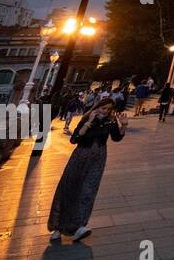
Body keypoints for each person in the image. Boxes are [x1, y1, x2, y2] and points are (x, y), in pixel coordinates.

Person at [48, 95, 126, 242]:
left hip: (98, 160)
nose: (105, 111)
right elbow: (74, 139)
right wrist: (89, 122)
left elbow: (116, 138)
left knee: (88, 191)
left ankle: (80, 226)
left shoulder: (110, 122)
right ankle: (58, 227)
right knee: (69, 189)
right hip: (80, 157)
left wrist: (123, 126)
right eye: (103, 108)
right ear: (97, 107)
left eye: (109, 109)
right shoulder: (87, 119)